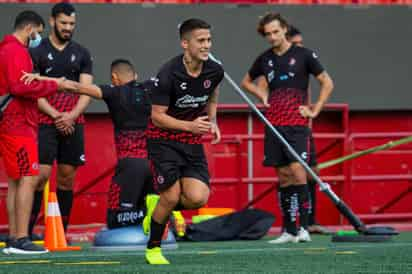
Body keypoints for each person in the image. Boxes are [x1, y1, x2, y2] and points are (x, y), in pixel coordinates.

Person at [22, 59, 154, 229]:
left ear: (114, 78)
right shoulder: (151, 89)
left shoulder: (113, 92)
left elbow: (75, 87)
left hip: (129, 165)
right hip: (154, 163)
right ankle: (154, 214)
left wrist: (40, 79)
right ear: (135, 76)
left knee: (114, 219)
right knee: (150, 200)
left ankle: (146, 214)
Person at [241, 12, 334, 244]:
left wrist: (315, 109)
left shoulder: (304, 55)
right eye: (268, 34)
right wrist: (262, 94)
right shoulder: (264, 59)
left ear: (284, 29)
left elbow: (327, 82)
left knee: (298, 172)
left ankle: (304, 228)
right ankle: (289, 230)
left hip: (296, 124)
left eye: (276, 31)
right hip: (274, 124)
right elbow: (245, 82)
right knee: (283, 177)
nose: (272, 37)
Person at [144, 18, 224, 264]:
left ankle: (156, 206)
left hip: (190, 141)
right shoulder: (168, 74)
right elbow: (157, 117)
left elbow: (213, 94)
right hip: (163, 140)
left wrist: (212, 120)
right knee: (171, 196)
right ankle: (153, 249)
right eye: (201, 41)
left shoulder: (215, 69)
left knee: (199, 197)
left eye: (209, 40)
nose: (206, 45)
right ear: (185, 43)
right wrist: (191, 125)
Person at [0, 10, 65, 254]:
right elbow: (19, 86)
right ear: (29, 29)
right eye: (38, 32)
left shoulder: (8, 50)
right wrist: (52, 84)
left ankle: (15, 236)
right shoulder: (15, 51)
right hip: (18, 124)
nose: (38, 37)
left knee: (18, 181)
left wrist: (39, 80)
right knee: (28, 178)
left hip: (15, 122)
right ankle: (20, 238)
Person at [28, 2, 93, 236]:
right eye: (64, 23)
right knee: (39, 177)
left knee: (66, 179)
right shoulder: (35, 50)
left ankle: (60, 233)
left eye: (72, 24)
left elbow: (86, 89)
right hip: (44, 120)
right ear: (53, 21)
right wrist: (56, 115)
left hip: (73, 120)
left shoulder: (82, 52)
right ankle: (25, 232)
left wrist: (71, 116)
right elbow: (32, 89)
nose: (68, 28)